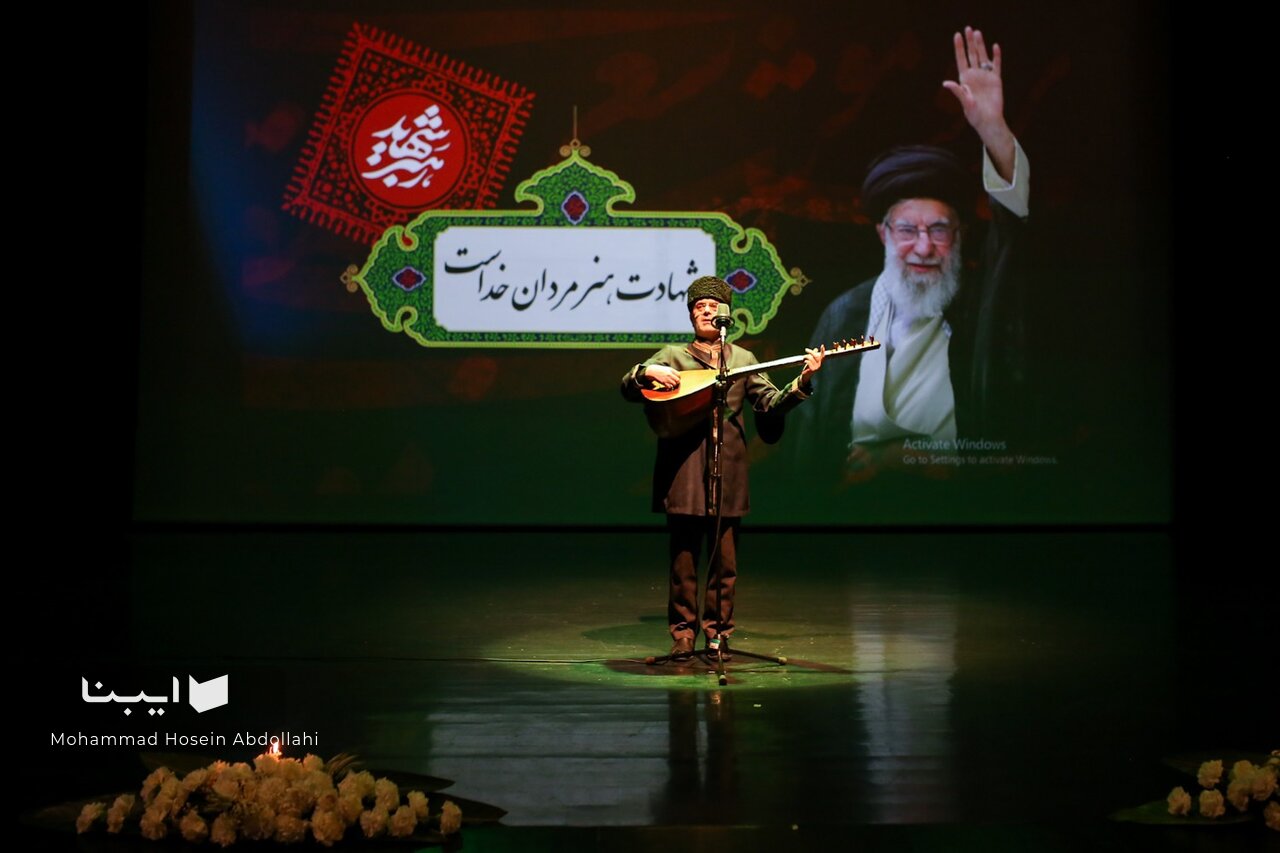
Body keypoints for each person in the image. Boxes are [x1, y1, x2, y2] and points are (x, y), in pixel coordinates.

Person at [794, 26, 1030, 481]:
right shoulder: (843, 316)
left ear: (960, 236)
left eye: (939, 230)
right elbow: (811, 440)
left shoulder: (980, 308)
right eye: (908, 230)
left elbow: (1011, 238)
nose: (924, 247)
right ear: (883, 234)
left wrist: (993, 130)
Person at [621, 275, 823, 662]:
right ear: (691, 316)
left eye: (712, 307)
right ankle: (683, 635)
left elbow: (769, 403)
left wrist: (804, 380)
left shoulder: (743, 360)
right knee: (683, 560)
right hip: (682, 471)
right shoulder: (673, 356)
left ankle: (718, 634)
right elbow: (629, 385)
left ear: (726, 315)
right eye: (698, 307)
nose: (705, 312)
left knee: (724, 562)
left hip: (728, 471)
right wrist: (646, 372)